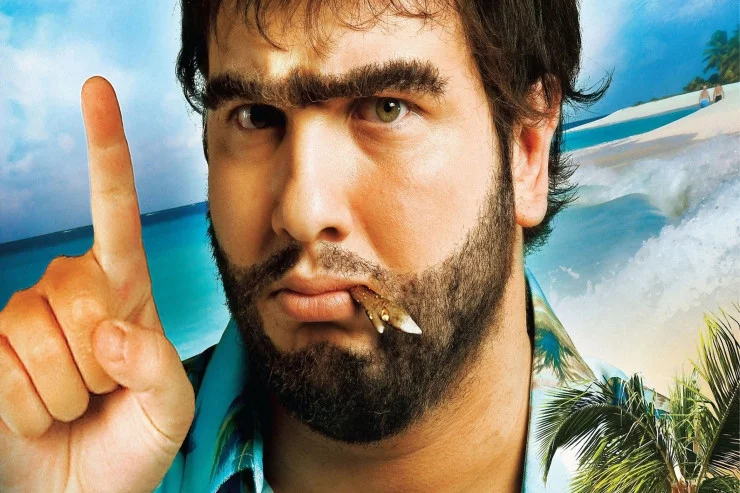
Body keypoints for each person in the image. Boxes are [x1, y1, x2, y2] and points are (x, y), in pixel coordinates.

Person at [0, 1, 614, 492]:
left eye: (386, 108)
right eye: (256, 116)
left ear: (526, 149)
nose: (301, 211)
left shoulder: (669, 465)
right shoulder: (101, 463)